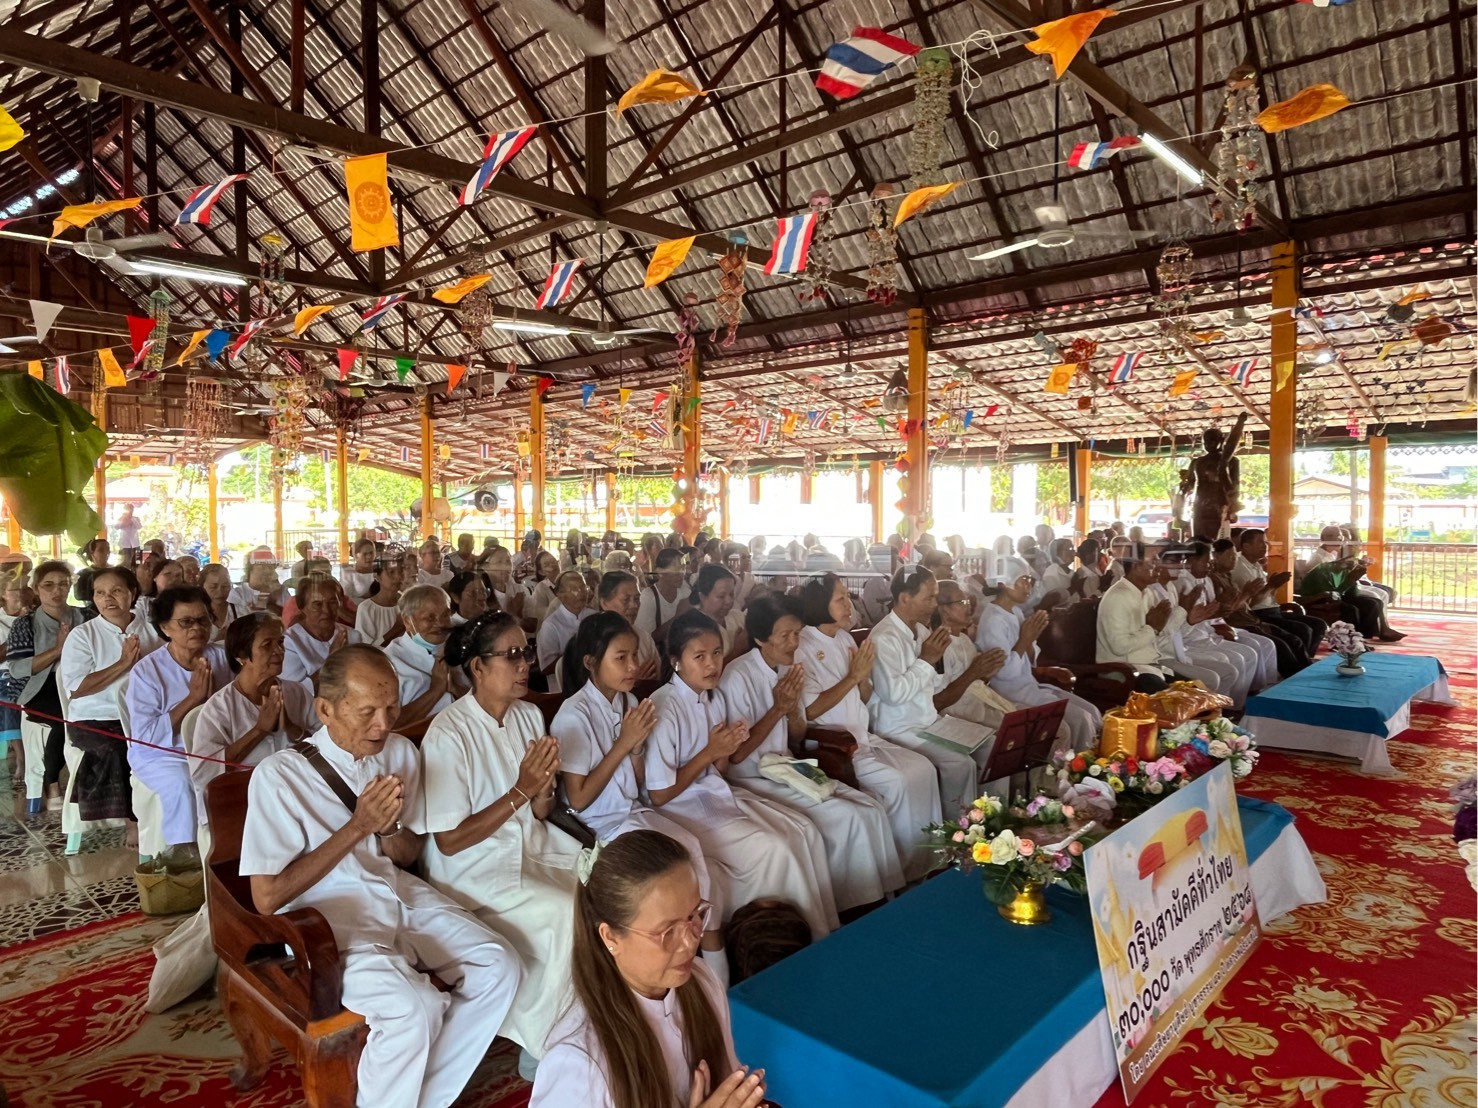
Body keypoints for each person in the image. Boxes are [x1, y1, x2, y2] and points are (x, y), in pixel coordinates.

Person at [241, 645, 520, 1108]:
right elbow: (267, 897)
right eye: (367, 711)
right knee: (416, 1008)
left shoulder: (400, 753)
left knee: (501, 966)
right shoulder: (279, 777)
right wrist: (358, 827)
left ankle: (418, 1099)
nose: (383, 724)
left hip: (397, 894)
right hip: (328, 920)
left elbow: (406, 854)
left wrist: (388, 828)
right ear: (325, 710)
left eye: (391, 707)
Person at [413, 612, 587, 1057]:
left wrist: (543, 789)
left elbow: (541, 811)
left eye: (525, 652)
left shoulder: (529, 715)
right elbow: (449, 841)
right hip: (471, 868)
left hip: (531, 844)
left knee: (605, 887)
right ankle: (542, 1039)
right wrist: (522, 790)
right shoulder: (449, 733)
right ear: (478, 667)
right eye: (512, 656)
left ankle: (582, 1016)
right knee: (565, 911)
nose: (525, 664)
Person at [531, 831, 765, 1108]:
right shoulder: (579, 1062)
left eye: (694, 915)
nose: (691, 942)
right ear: (611, 937)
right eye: (668, 932)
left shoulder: (701, 980)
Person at [645, 611, 839, 939]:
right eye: (699, 656)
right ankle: (774, 938)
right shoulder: (664, 706)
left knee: (802, 831)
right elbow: (659, 794)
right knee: (775, 847)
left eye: (717, 653)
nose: (712, 664)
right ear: (676, 661)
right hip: (679, 807)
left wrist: (724, 749)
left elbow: (720, 770)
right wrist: (711, 752)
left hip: (714, 792)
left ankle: (818, 929)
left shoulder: (712, 697)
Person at [549, 613, 725, 965]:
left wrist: (637, 750)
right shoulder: (573, 715)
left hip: (630, 811)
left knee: (691, 847)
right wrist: (624, 744)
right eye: (621, 658)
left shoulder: (627, 702)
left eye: (634, 655)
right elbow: (579, 799)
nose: (633, 666)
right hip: (597, 824)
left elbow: (638, 782)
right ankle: (689, 950)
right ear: (591, 662)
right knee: (676, 861)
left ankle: (705, 948)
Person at [719, 595, 903, 912]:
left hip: (785, 766)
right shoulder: (738, 677)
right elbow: (735, 756)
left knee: (870, 807)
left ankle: (885, 899)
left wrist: (792, 712)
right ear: (760, 638)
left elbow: (796, 736)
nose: (794, 643)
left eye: (797, 633)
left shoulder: (785, 669)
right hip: (753, 776)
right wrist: (779, 709)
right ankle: (857, 907)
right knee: (848, 817)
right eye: (785, 636)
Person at [794, 574, 939, 882]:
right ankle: (900, 873)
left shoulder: (845, 639)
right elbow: (809, 711)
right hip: (833, 744)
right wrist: (853, 677)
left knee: (924, 768)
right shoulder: (802, 646)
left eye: (848, 597)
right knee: (898, 782)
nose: (849, 604)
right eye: (840, 599)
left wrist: (861, 680)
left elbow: (864, 696)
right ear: (820, 605)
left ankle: (926, 863)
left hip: (863, 735)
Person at [865, 567, 997, 818]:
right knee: (960, 764)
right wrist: (926, 660)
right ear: (905, 598)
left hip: (929, 721)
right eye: (929, 598)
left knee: (992, 746)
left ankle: (993, 819)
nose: (935, 605)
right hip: (899, 727)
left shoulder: (923, 632)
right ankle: (959, 831)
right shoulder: (884, 637)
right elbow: (893, 694)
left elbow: (936, 685)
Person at [125, 585, 232, 859]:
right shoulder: (147, 672)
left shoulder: (223, 657)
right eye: (186, 622)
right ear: (165, 627)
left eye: (203, 620)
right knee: (183, 782)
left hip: (213, 748)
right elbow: (145, 737)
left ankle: (234, 849)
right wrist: (193, 699)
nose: (197, 628)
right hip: (163, 754)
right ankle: (186, 853)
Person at [58, 566, 160, 824]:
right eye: (100, 593)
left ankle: (168, 813)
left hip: (144, 716)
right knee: (118, 748)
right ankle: (132, 822)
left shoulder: (154, 631)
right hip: (96, 719)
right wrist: (123, 664)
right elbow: (76, 689)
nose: (108, 599)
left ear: (132, 593)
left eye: (116, 591)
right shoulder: (83, 635)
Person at [189, 612, 316, 814]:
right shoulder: (219, 708)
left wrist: (293, 729)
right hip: (244, 803)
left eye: (280, 643)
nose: (279, 651)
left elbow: (328, 747)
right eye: (267, 645)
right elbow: (204, 773)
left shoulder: (296, 692)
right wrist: (259, 730)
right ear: (241, 655)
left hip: (296, 794)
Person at [972, 572, 1103, 749]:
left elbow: (1030, 658)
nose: (1028, 586)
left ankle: (1092, 762)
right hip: (1010, 694)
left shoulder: (1015, 611)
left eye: (1030, 581)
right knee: (1081, 718)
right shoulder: (993, 620)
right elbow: (1003, 673)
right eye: (1022, 581)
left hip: (1030, 686)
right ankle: (1077, 764)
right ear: (1003, 583)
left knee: (1093, 712)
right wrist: (1025, 639)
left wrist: (1029, 640)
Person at [6, 561, 87, 811]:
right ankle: (51, 782)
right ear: (36, 589)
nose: (57, 591)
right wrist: (58, 650)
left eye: (63, 584)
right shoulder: (26, 624)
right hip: (39, 687)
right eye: (48, 585)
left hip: (81, 683)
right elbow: (18, 668)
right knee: (63, 720)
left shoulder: (86, 617)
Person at [1178, 543, 1274, 694]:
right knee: (1238, 657)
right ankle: (1235, 702)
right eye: (1206, 562)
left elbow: (1214, 611)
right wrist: (1240, 598)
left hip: (1210, 630)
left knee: (1261, 646)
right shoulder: (1181, 583)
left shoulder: (1206, 580)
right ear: (1191, 561)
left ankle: (1257, 693)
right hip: (1191, 638)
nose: (1210, 566)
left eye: (1211, 562)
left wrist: (1222, 622)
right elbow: (1193, 618)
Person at [1229, 530, 1327, 656]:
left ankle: (1305, 658)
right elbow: (1250, 604)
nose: (1265, 546)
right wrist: (1271, 585)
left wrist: (1274, 586)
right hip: (1259, 614)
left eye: (1265, 542)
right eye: (1260, 542)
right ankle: (1300, 661)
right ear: (1246, 546)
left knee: (1319, 625)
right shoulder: (1240, 569)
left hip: (1273, 610)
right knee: (1303, 630)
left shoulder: (1256, 564)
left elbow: (1268, 597)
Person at [1095, 559, 1176, 693]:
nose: (1159, 568)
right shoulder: (1118, 596)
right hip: (1125, 672)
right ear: (1135, 566)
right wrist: (1152, 629)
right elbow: (1119, 647)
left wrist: (1184, 612)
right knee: (1180, 700)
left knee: (1196, 692)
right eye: (1153, 564)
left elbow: (1159, 633)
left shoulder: (1146, 593)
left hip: (1149, 668)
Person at [387, 585, 458, 725]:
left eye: (445, 615)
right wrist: (437, 688)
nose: (440, 624)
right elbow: (389, 723)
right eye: (430, 618)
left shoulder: (457, 647)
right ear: (407, 621)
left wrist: (456, 688)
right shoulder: (389, 663)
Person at [282, 575, 361, 698]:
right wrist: (331, 659)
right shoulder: (289, 642)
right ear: (302, 607)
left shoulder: (352, 635)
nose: (326, 610)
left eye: (332, 603)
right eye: (317, 604)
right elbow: (295, 693)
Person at [597, 571, 659, 677]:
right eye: (625, 600)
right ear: (604, 603)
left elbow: (658, 676)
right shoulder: (593, 639)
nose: (634, 605)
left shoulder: (644, 637)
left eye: (637, 598)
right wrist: (634, 682)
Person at [536, 571, 590, 692]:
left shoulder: (593, 616)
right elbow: (546, 668)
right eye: (574, 589)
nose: (581, 593)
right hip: (564, 689)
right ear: (560, 595)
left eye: (583, 588)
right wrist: (575, 652)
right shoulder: (551, 625)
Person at [688, 564, 745, 661]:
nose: (729, 601)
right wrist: (737, 651)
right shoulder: (695, 628)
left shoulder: (738, 616)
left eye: (731, 594)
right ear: (702, 597)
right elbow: (707, 668)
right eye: (721, 596)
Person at [634, 549, 690, 639]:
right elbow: (647, 639)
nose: (681, 574)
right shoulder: (648, 596)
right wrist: (678, 616)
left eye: (683, 568)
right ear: (660, 572)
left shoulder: (685, 592)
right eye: (675, 569)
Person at [355, 554, 406, 648]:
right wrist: (396, 628)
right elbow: (366, 649)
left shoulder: (408, 603)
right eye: (391, 572)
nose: (398, 577)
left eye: (401, 571)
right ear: (377, 576)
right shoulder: (366, 608)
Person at [230, 549, 282, 616]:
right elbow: (244, 620)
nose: (267, 571)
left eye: (271, 567)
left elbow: (290, 617)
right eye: (262, 567)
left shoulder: (281, 591)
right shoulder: (237, 594)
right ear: (250, 569)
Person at [482, 545, 527, 623]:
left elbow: (532, 623)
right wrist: (513, 613)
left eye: (508, 561)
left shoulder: (520, 590)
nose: (506, 566)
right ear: (485, 566)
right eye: (499, 562)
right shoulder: (481, 595)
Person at [524, 551, 564, 627]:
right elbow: (540, 614)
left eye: (553, 561)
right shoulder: (541, 588)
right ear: (541, 572)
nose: (552, 565)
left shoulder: (568, 580)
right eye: (547, 564)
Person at [198, 563, 236, 642]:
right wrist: (217, 641)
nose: (220, 592)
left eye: (225, 586)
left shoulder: (240, 610)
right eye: (213, 587)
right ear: (202, 587)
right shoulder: (196, 613)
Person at [73, 538, 112, 609]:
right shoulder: (83, 574)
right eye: (101, 550)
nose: (106, 553)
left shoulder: (115, 572)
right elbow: (79, 595)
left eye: (108, 550)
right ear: (92, 553)